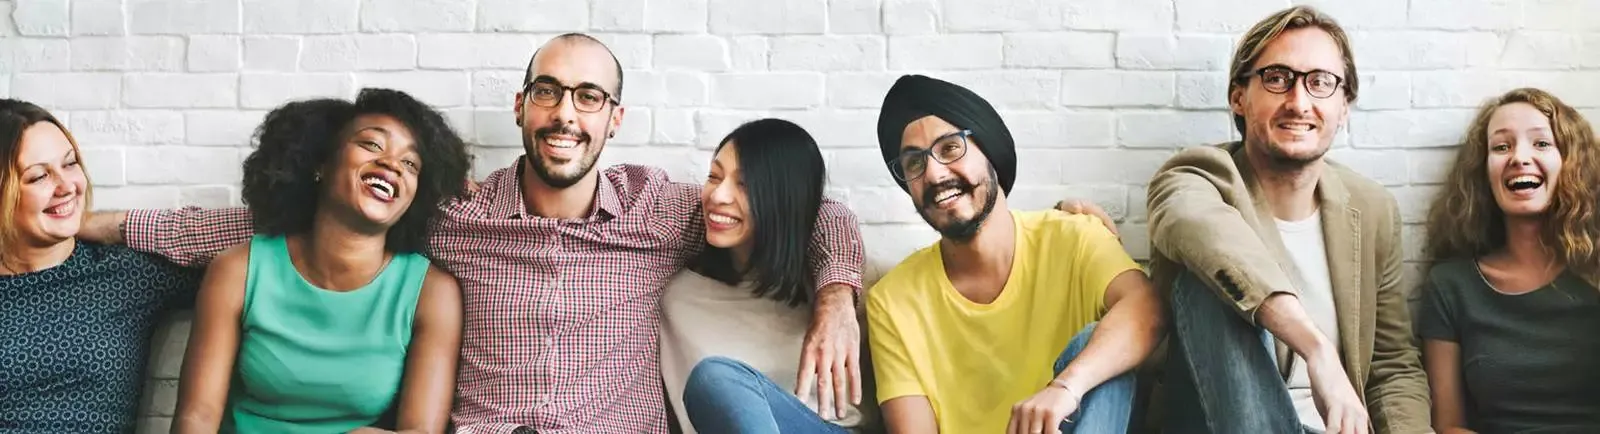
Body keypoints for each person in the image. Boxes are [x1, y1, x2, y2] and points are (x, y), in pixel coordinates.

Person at [78, 33, 866, 434]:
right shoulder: (455, 216)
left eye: (589, 98)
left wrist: (836, 296)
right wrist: (98, 223)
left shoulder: (660, 212)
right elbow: (275, 223)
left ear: (614, 120)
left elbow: (810, 209)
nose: (566, 113)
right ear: (522, 107)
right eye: (550, 92)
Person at [1142, 5, 1430, 434]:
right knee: (1205, 289)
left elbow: (1391, 364)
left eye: (1320, 83)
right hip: (1217, 421)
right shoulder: (1195, 177)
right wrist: (1317, 350)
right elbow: (1197, 228)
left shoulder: (1372, 209)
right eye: (1277, 79)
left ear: (1344, 105)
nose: (1299, 102)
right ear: (1239, 97)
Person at [865, 74, 1165, 434]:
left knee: (1097, 345)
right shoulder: (892, 301)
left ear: (989, 151)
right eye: (914, 163)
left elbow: (1147, 307)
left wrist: (1065, 388)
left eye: (949, 148)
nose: (933, 173)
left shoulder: (1073, 237)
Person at [170, 89, 467, 433]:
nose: (392, 164)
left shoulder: (431, 292)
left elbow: (420, 431)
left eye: (411, 163)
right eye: (372, 145)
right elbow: (197, 417)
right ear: (320, 165)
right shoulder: (238, 270)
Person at [0, 99, 200, 433]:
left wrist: (116, 224)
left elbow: (261, 242)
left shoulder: (128, 274)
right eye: (39, 177)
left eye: (70, 164)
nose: (67, 187)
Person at [663, 118, 873, 433]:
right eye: (714, 176)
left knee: (717, 379)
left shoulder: (839, 287)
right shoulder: (675, 299)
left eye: (744, 184)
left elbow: (830, 213)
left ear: (784, 197)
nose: (718, 195)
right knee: (715, 382)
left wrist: (837, 296)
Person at [1416, 88, 1600, 433]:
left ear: (1571, 162)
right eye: (1502, 146)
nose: (1519, 157)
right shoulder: (1451, 285)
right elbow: (1448, 426)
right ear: (1483, 172)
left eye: (1541, 144)